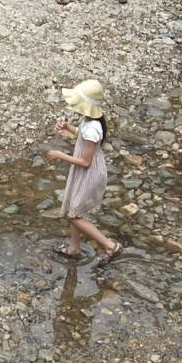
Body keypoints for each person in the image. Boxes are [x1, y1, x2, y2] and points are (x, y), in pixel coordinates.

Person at [46, 79, 121, 264]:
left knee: (73, 216)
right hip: (84, 172)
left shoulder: (93, 128)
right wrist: (68, 128)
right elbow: (81, 135)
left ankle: (110, 245)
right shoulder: (90, 121)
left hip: (89, 173)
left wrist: (60, 155)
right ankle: (74, 248)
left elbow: (85, 162)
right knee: (75, 211)